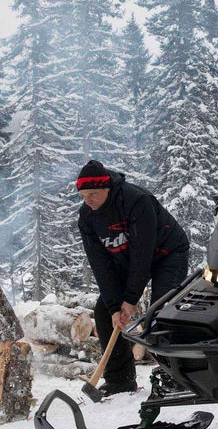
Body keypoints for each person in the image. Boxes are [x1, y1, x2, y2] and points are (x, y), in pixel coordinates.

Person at [76, 160, 190, 397]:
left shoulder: (136, 201)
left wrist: (130, 300)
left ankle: (178, 377)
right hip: (126, 259)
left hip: (167, 253)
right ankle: (120, 380)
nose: (88, 201)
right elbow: (100, 264)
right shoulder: (87, 217)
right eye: (84, 196)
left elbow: (142, 254)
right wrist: (114, 306)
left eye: (93, 194)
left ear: (107, 187)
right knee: (104, 312)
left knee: (162, 311)